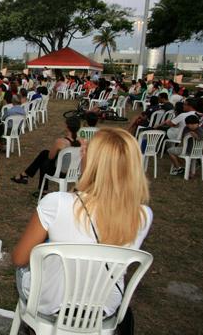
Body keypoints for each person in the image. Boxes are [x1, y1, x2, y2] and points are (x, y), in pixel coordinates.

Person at [11, 128, 152, 317]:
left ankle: (33, 325)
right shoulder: (143, 215)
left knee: (25, 268)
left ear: (94, 163)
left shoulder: (57, 203)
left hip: (52, 302)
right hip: (103, 307)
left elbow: (19, 258)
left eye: (87, 151)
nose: (82, 152)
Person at [11, 116, 81, 195]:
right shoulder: (82, 142)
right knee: (45, 153)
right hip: (73, 172)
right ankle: (25, 175)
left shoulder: (60, 142)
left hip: (60, 172)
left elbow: (50, 157)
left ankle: (29, 179)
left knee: (44, 159)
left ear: (67, 127)